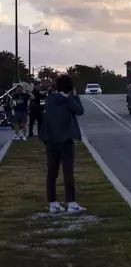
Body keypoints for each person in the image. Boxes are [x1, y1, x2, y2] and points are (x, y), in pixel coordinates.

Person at [39, 74, 86, 213]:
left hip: (50, 141)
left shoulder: (50, 99)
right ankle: (71, 203)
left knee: (51, 173)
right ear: (70, 87)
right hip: (65, 140)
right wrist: (74, 96)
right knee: (68, 172)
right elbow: (80, 111)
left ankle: (52, 203)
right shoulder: (68, 101)